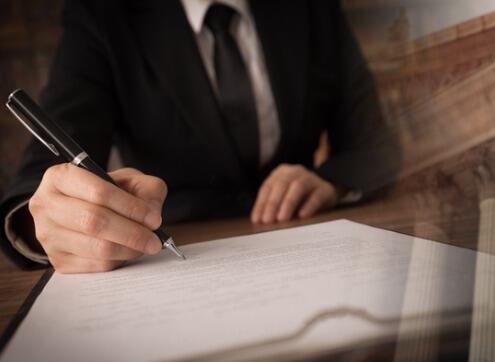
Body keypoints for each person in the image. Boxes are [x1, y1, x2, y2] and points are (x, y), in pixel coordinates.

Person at [0, 0, 399, 273]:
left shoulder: (311, 7)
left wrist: (331, 180)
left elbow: (376, 147)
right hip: (170, 251)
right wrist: (51, 223)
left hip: (308, 240)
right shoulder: (103, 14)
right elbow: (41, 179)